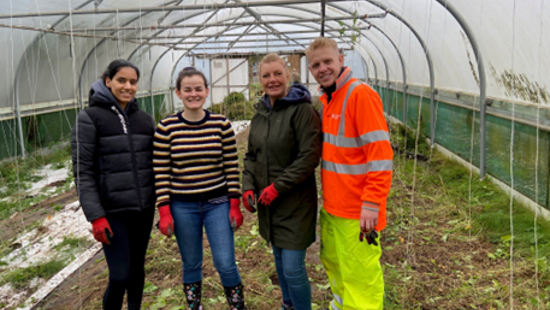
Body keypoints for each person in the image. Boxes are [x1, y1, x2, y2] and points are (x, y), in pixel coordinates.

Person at [305, 37, 393, 310]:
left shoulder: (359, 95)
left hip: (358, 211)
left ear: (341, 60)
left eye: (328, 61)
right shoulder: (328, 99)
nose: (323, 68)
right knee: (334, 262)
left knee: (360, 275)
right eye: (316, 64)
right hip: (334, 206)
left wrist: (371, 204)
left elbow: (380, 157)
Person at [153, 67, 245, 309]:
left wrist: (234, 204)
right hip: (183, 206)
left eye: (198, 89)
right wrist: (164, 211)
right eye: (187, 89)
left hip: (217, 204)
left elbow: (231, 167)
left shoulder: (221, 124)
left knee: (225, 262)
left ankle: (237, 305)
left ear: (206, 91)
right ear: (178, 93)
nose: (193, 94)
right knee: (191, 262)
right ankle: (195, 307)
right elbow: (161, 172)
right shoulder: (166, 128)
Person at [71, 59, 156, 310]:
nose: (128, 86)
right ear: (108, 81)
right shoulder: (89, 118)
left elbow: (157, 164)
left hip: (142, 210)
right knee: (120, 275)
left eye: (133, 82)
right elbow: (83, 172)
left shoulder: (145, 120)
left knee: (137, 270)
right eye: (121, 80)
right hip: (112, 212)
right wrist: (96, 216)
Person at [242, 53, 322, 310]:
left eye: (277, 74)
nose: (272, 80)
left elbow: (309, 157)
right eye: (266, 75)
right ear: (259, 80)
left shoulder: (302, 111)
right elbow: (251, 156)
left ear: (288, 76)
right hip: (269, 204)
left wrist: (278, 187)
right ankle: (288, 305)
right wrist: (247, 187)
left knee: (292, 267)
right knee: (278, 257)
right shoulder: (260, 115)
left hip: (296, 203)